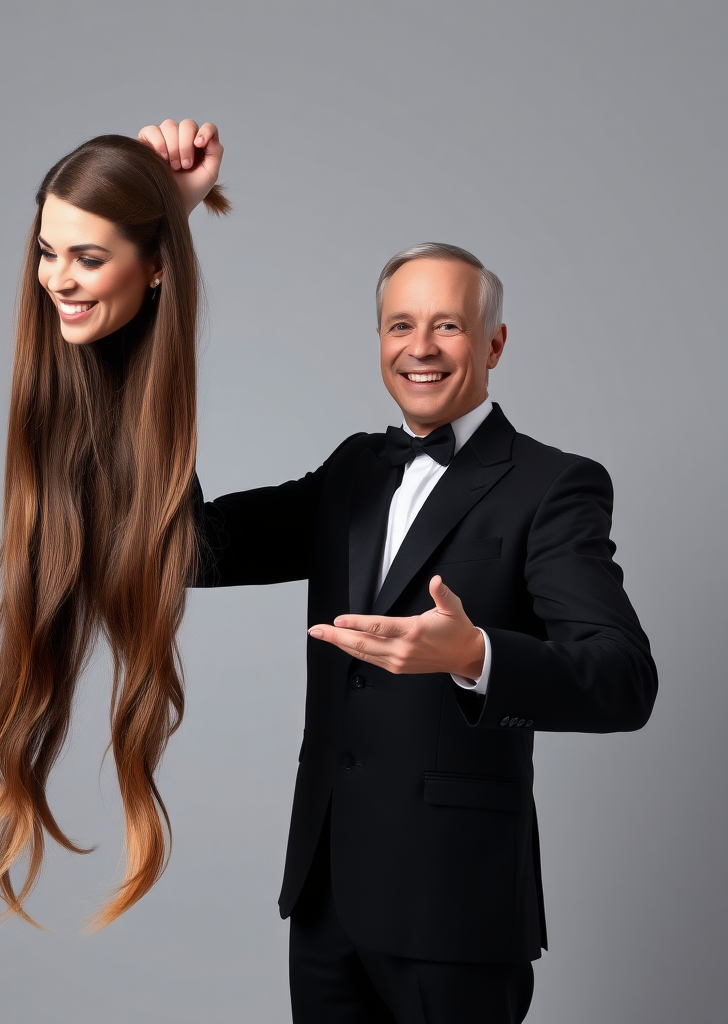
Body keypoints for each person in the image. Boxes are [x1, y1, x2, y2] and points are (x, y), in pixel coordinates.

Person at [140, 119, 657, 1024]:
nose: (420, 347)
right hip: (327, 898)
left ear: (493, 345)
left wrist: (477, 655)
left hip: (456, 914)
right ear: (379, 340)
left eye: (448, 325)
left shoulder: (554, 485)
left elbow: (623, 682)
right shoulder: (353, 468)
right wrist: (158, 247)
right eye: (400, 325)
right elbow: (186, 545)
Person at [0, 128, 228, 929]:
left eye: (87, 258)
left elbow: (177, 542)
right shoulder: (56, 385)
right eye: (48, 251)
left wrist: (171, 220)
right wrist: (168, 218)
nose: (57, 278)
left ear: (155, 267)